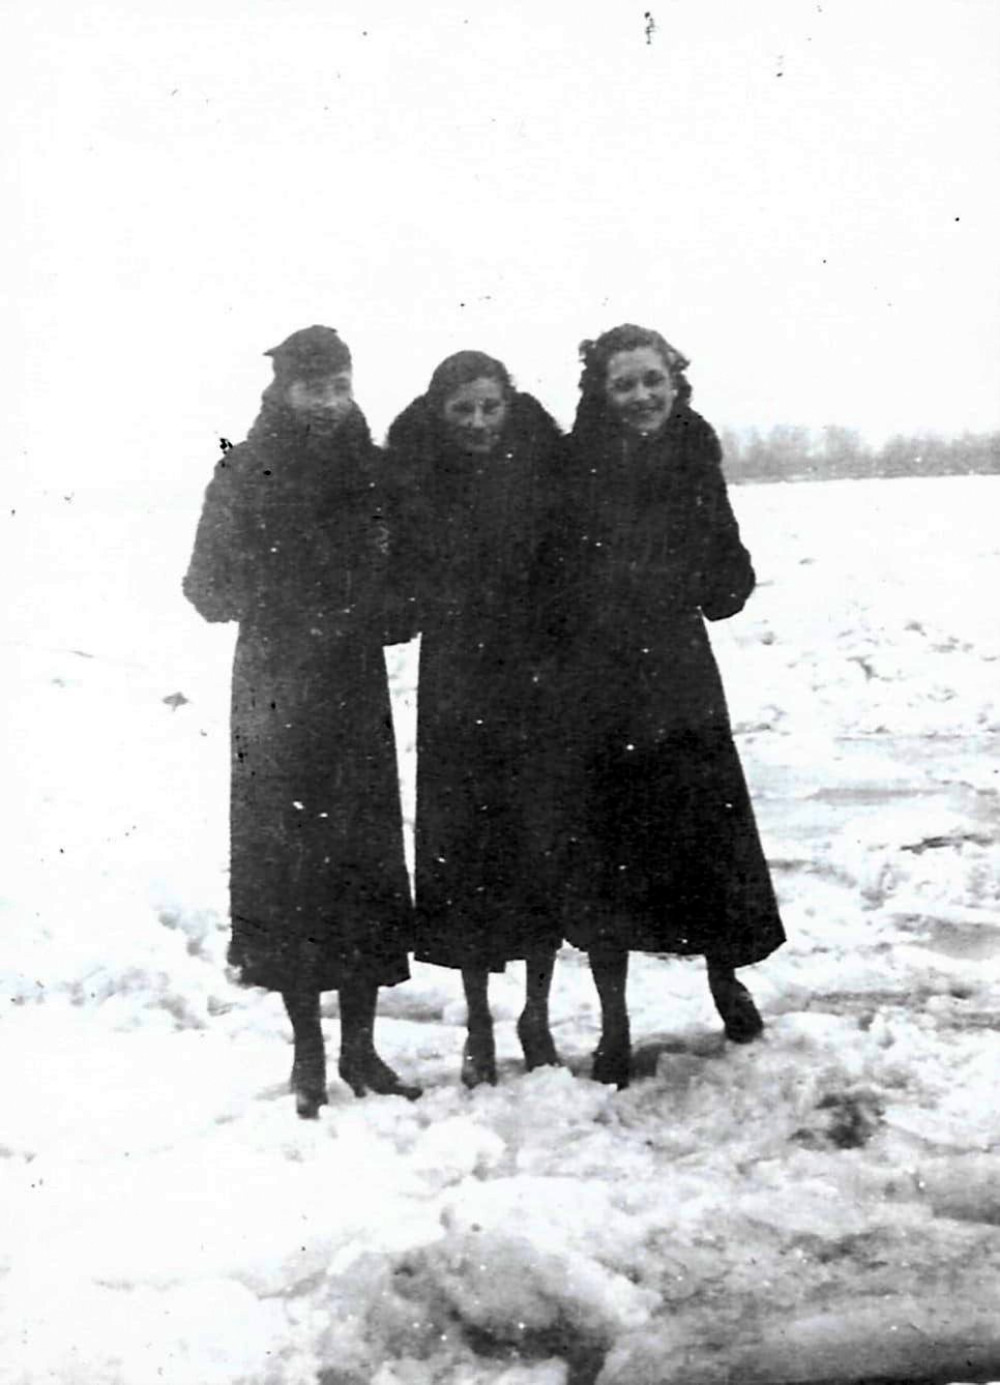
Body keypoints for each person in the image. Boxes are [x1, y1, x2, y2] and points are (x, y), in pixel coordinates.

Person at [183, 325, 420, 1117]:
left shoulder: (376, 471)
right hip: (277, 691)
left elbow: (403, 596)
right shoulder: (244, 471)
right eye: (313, 387)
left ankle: (360, 1047)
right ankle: (307, 1055)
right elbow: (205, 588)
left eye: (339, 385)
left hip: (352, 687)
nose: (328, 401)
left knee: (361, 860)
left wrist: (384, 604)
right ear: (281, 391)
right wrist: (283, 594)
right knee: (288, 869)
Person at [552, 324, 786, 1089]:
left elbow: (729, 573)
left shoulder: (694, 451)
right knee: (610, 850)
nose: (643, 396)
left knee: (704, 837)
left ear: (676, 380)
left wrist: (717, 573)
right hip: (602, 684)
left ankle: (725, 982)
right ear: (601, 392)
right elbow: (554, 572)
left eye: (654, 380)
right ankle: (614, 1023)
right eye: (625, 384)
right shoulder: (572, 464)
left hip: (679, 677)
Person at [383, 351, 565, 1087]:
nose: (479, 422)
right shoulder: (414, 483)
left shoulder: (545, 470)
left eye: (490, 406)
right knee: (466, 855)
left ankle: (538, 1012)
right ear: (441, 413)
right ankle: (481, 1020)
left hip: (537, 682)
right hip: (457, 684)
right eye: (463, 409)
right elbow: (398, 591)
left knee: (542, 845)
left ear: (509, 404)